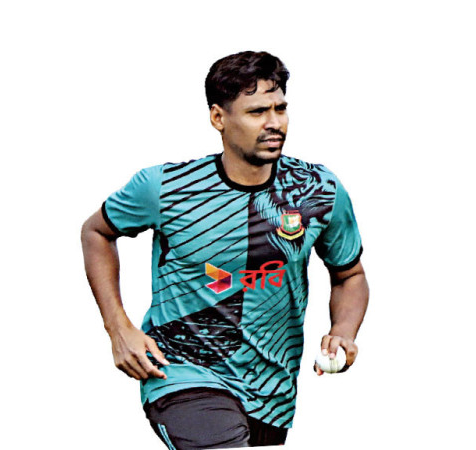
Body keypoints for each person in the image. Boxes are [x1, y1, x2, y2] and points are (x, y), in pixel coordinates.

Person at [81, 50, 369, 449]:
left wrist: (343, 332)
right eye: (257, 112)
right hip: (180, 374)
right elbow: (96, 232)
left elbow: (349, 276)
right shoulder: (165, 188)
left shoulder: (318, 191)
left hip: (271, 394)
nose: (274, 122)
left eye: (280, 108)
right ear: (218, 117)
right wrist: (118, 328)